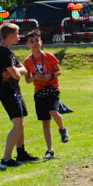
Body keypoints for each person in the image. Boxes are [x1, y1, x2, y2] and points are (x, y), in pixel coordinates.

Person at [0, 22, 38, 168]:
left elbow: (24, 70)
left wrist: (16, 71)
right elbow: (17, 76)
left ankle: (21, 153)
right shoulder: (2, 53)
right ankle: (6, 160)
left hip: (16, 92)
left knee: (21, 124)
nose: (19, 37)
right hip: (8, 93)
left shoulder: (9, 52)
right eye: (17, 34)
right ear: (10, 35)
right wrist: (16, 72)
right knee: (18, 125)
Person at [22, 30, 69, 160]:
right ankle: (50, 150)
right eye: (31, 42)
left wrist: (51, 75)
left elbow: (59, 71)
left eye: (37, 41)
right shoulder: (27, 61)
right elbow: (27, 80)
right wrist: (34, 78)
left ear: (41, 42)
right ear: (27, 45)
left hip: (52, 88)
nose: (35, 44)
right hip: (39, 92)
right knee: (45, 122)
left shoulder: (49, 56)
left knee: (53, 111)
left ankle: (62, 129)